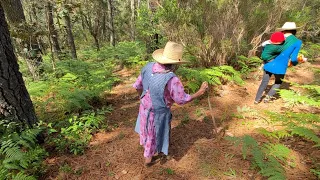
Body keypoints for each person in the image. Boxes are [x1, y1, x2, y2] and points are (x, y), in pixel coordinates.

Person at [133, 41, 208, 165]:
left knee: (146, 129)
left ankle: (146, 149)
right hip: (159, 113)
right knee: (153, 133)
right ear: (175, 64)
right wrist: (200, 92)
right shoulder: (172, 79)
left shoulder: (147, 67)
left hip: (144, 108)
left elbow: (137, 86)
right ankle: (148, 158)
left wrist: (141, 97)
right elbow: (182, 99)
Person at [254, 22, 304, 104]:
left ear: (283, 30)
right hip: (281, 66)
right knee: (278, 82)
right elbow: (294, 59)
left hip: (269, 64)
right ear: (294, 31)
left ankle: (256, 99)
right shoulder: (297, 42)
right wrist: (296, 63)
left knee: (264, 82)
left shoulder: (278, 37)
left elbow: (266, 48)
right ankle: (267, 98)